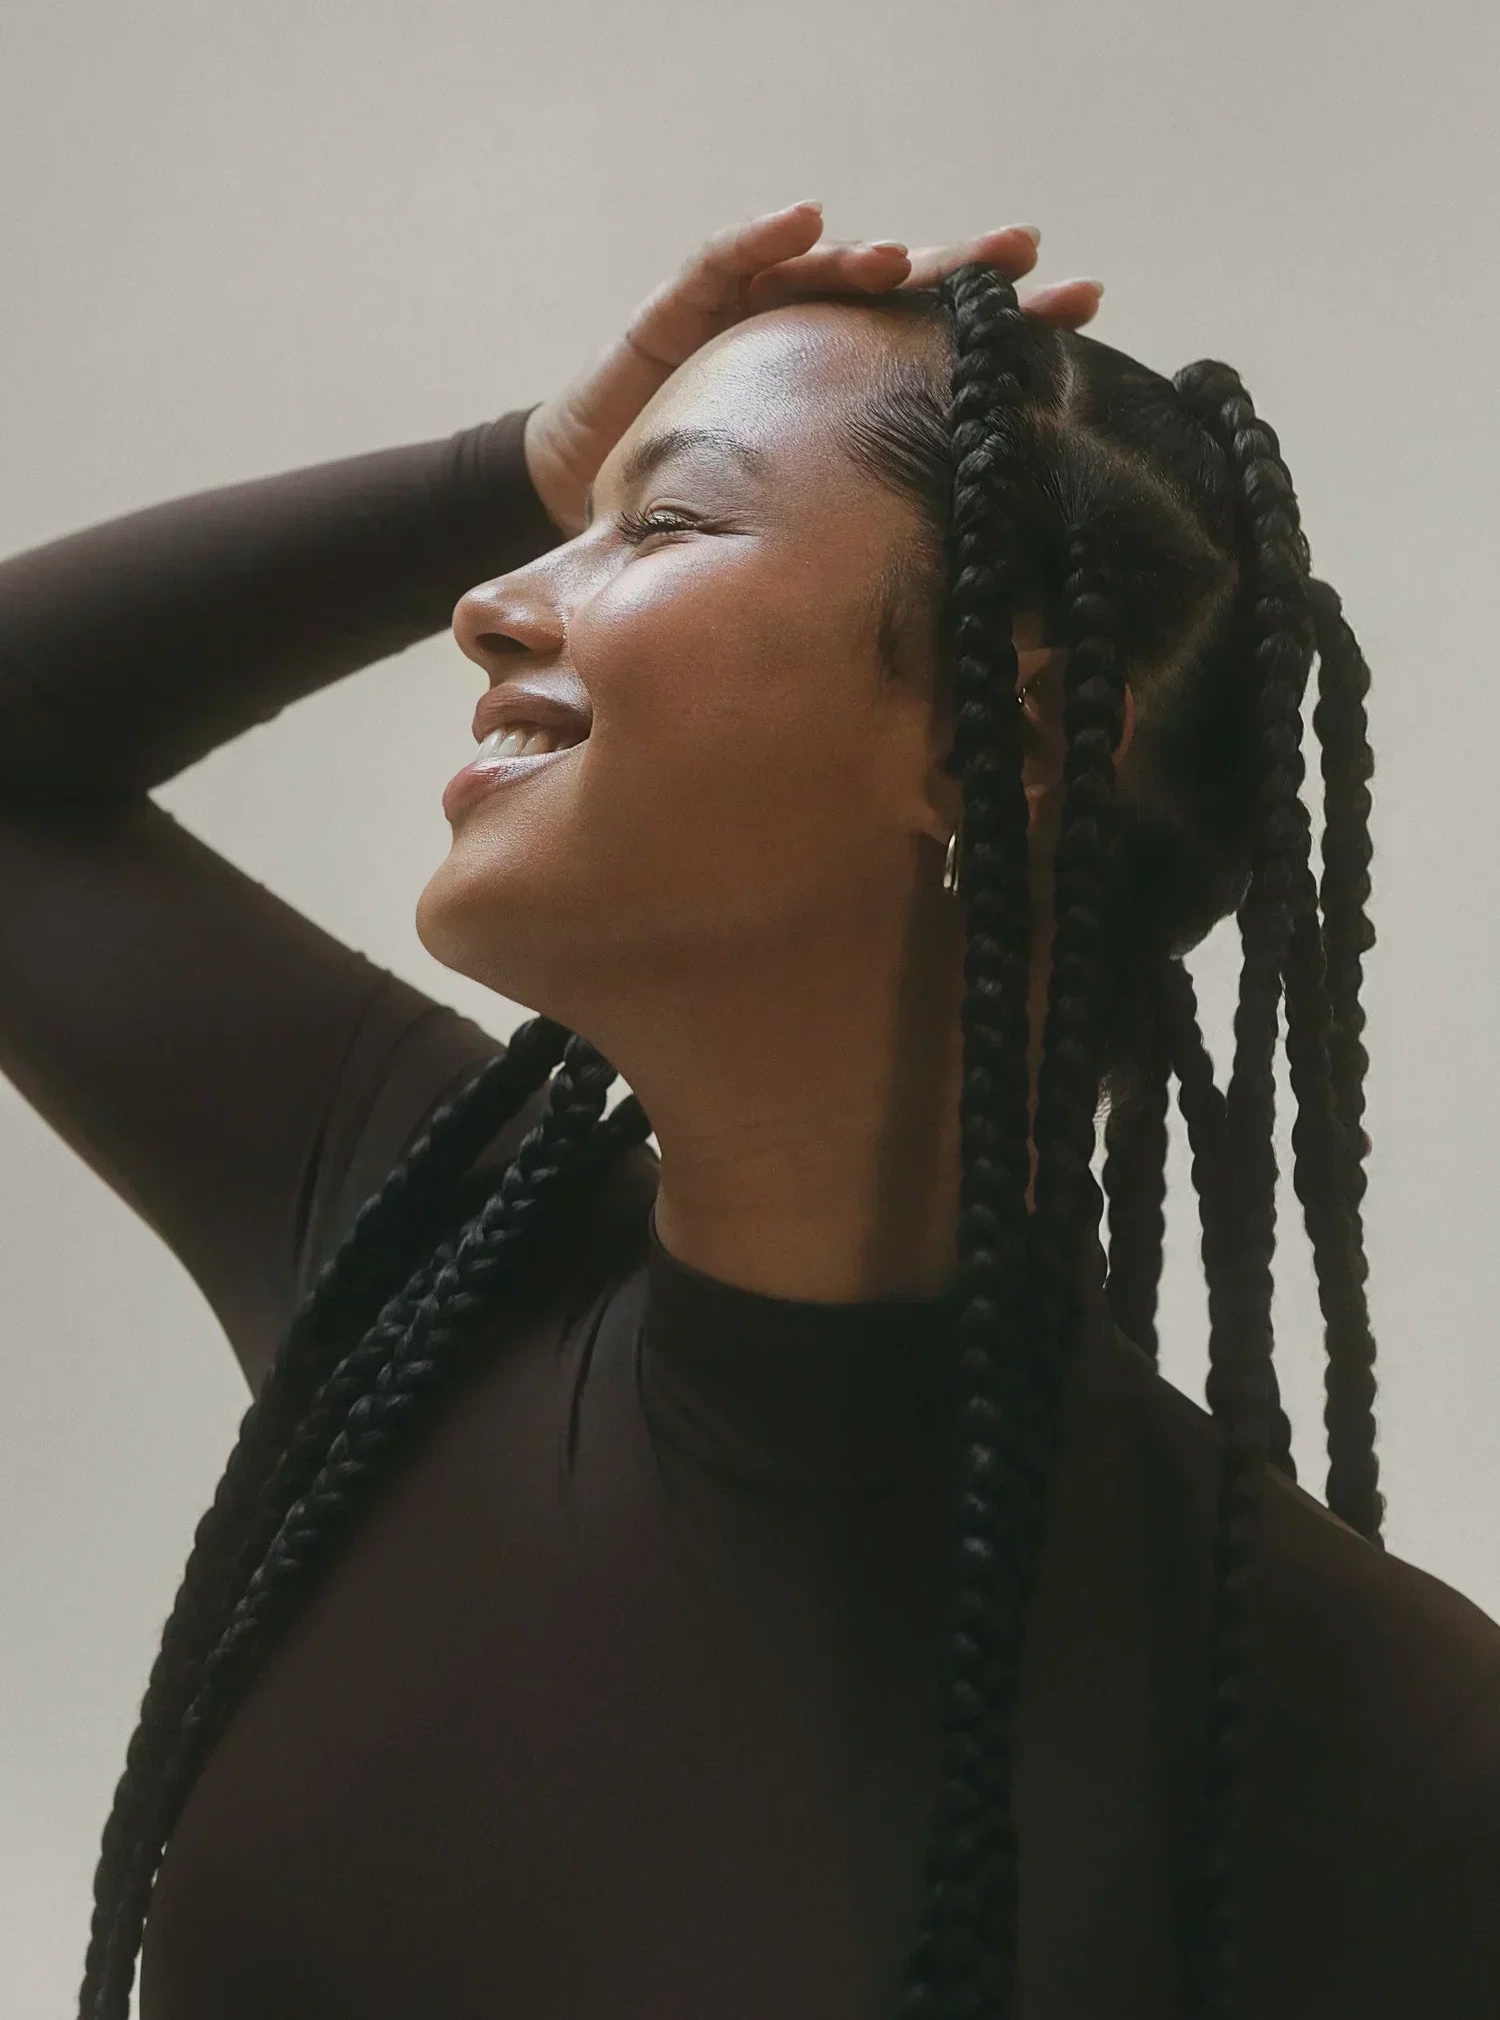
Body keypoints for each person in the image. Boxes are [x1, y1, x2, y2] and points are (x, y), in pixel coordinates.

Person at [2, 204, 1496, 2020]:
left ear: (990, 745)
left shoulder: (1371, 1736)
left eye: (667, 520)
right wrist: (516, 461)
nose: (499, 601)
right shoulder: (431, 1262)